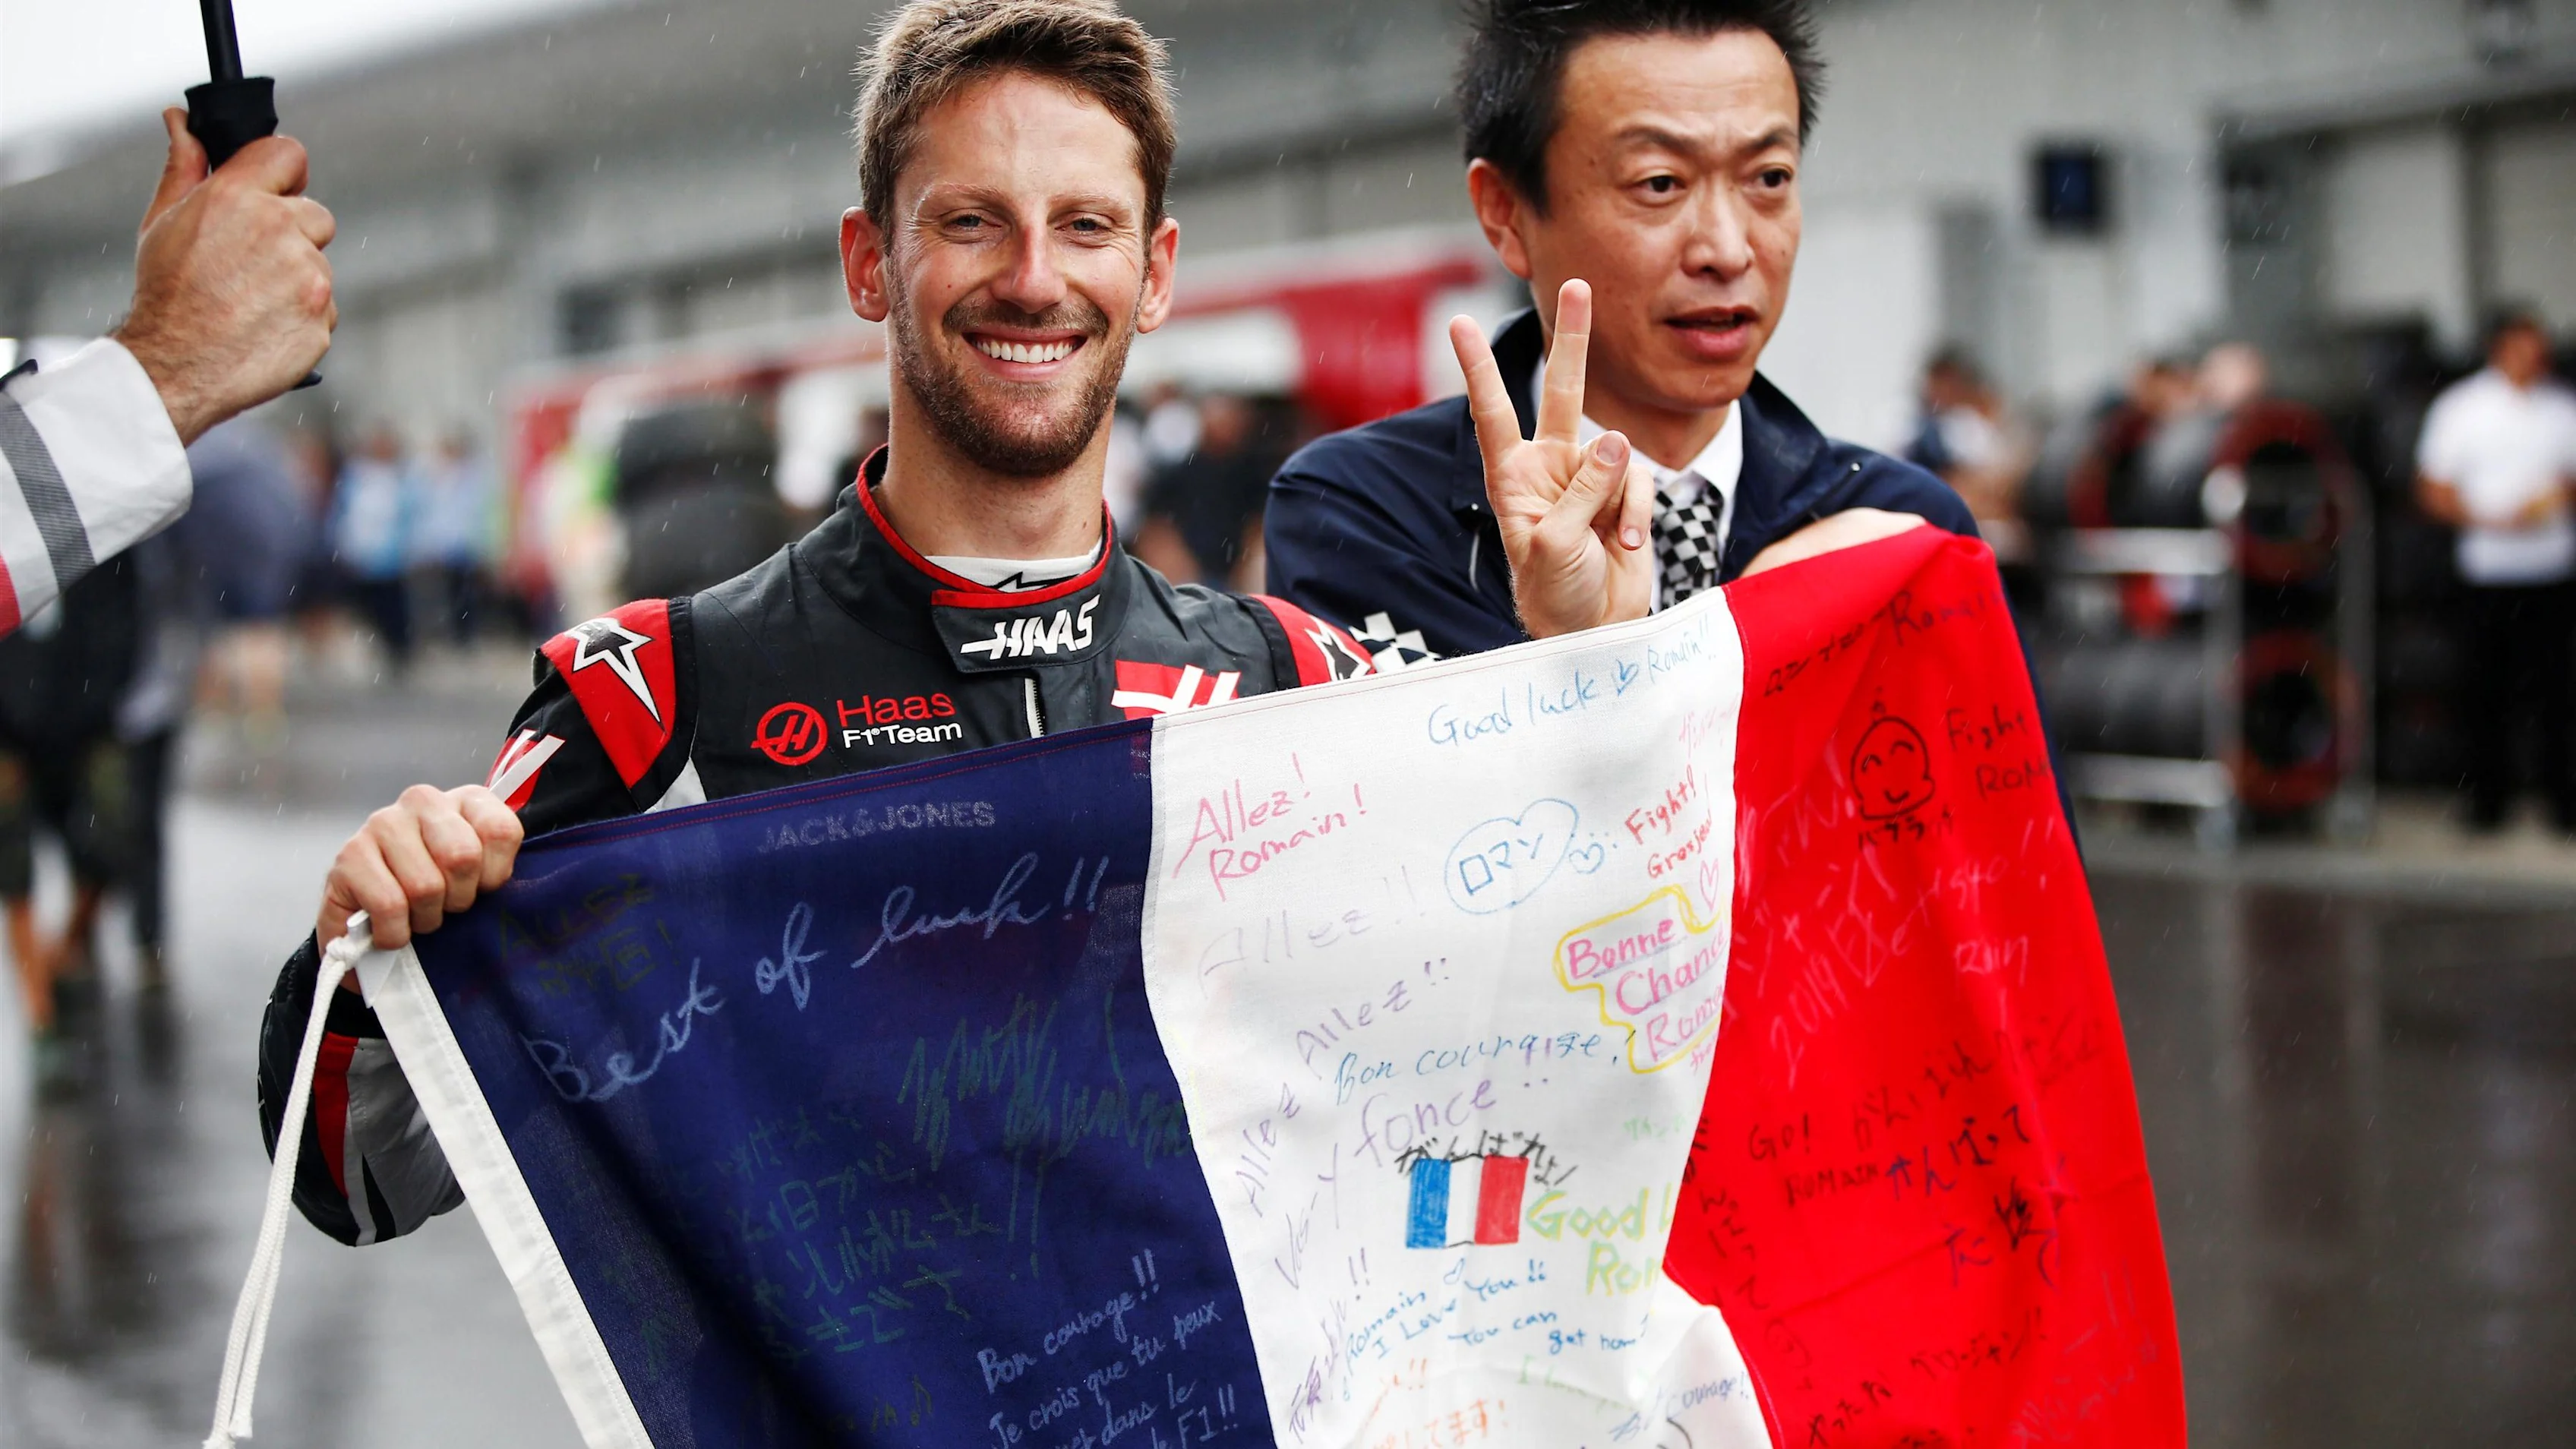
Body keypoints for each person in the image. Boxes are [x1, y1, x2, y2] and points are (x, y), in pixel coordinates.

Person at [256, 0, 1380, 1247]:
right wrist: (362, 950)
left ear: (1154, 271)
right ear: (867, 261)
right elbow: (359, 1178)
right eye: (969, 221)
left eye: (1086, 226)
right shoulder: (657, 696)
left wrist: (1597, 674)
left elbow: (1455, 1068)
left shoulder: (1303, 682)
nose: (1033, 277)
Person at [1264, 0, 1971, 662]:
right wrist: (1586, 653)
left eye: (1770, 177)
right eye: (1660, 183)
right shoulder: (1367, 514)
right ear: (1507, 213)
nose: (1726, 249)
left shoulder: (1901, 524)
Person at [1, 109, 336, 639]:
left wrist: (167, 363)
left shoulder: (242, 466)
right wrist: (168, 361)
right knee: (252, 637)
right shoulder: (255, 460)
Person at [2415, 311, 2576, 832]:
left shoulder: (2561, 408)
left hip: (2552, 569)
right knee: (2485, 693)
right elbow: (2434, 487)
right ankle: (2488, 801)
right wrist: (2489, 518)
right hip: (2488, 570)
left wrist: (2549, 504)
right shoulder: (2463, 409)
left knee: (2561, 693)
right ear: (2500, 348)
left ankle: (2562, 801)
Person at [1135, 392, 1277, 588]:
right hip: (1189, 573)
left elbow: (1258, 522)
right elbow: (1155, 524)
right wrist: (1177, 561)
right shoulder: (1182, 471)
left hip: (1233, 572)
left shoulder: (1250, 472)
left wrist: (1246, 562)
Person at [330, 425, 418, 672]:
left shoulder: (402, 478)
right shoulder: (357, 476)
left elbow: (408, 517)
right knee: (367, 608)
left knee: (393, 607)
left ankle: (399, 651)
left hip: (390, 559)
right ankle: (379, 647)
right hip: (362, 556)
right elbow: (344, 513)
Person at [410, 429, 497, 647]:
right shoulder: (436, 477)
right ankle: (457, 634)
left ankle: (468, 634)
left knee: (468, 594)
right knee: (449, 593)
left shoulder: (473, 477)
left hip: (466, 546)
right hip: (446, 547)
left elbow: (479, 512)